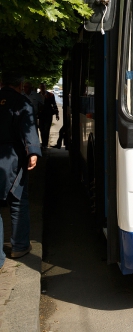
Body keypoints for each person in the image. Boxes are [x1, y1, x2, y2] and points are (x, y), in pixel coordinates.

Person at [0, 73, 41, 267]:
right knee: (17, 200)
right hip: (12, 156)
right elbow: (28, 128)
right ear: (21, 85)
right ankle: (19, 247)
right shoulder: (22, 102)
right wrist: (33, 152)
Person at [38, 82, 58, 149]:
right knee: (41, 129)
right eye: (41, 87)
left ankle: (45, 144)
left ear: (45, 87)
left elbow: (54, 104)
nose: (42, 88)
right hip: (40, 115)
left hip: (48, 115)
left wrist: (57, 113)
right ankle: (43, 143)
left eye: (43, 86)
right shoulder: (38, 95)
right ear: (40, 88)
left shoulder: (51, 95)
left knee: (46, 129)